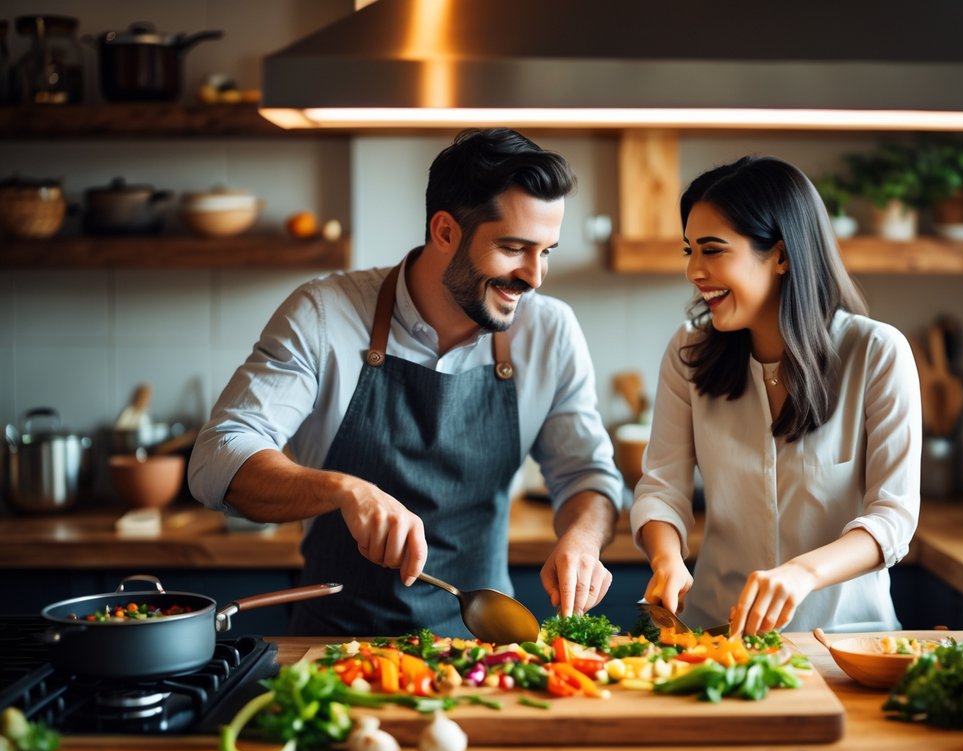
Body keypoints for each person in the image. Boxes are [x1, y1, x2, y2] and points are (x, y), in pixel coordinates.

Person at [189, 128, 623, 636]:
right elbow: (218, 458)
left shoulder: (549, 331)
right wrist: (344, 490)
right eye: (514, 248)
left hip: (482, 651)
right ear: (444, 232)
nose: (534, 276)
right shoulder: (325, 314)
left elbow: (588, 477)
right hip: (333, 650)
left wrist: (583, 539)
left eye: (545, 251)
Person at [632, 155, 921, 636]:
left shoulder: (877, 353)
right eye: (690, 251)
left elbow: (893, 516)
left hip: (847, 642)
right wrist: (666, 557)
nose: (694, 271)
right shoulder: (688, 352)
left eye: (713, 250)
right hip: (715, 636)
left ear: (782, 255)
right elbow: (662, 487)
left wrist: (802, 573)